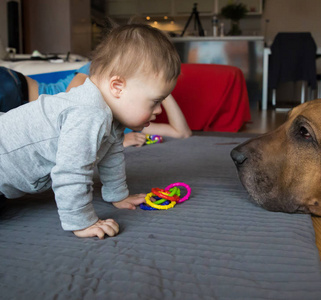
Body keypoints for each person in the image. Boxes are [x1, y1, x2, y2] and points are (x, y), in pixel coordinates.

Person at [0, 24, 180, 239]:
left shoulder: (111, 117)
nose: (158, 111)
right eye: (155, 102)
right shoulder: (89, 113)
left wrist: (118, 195)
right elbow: (71, 172)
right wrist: (83, 222)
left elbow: (112, 158)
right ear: (117, 87)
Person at [0, 63, 191, 147]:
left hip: (17, 119)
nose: (156, 110)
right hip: (16, 91)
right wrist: (114, 142)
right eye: (154, 102)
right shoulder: (103, 70)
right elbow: (69, 108)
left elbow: (181, 133)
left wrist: (160, 91)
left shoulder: (129, 118)